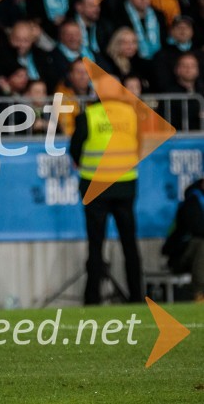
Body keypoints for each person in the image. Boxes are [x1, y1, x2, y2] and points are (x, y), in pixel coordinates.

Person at [69, 72, 143, 305]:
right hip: (125, 186)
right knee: (130, 244)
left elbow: (75, 150)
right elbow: (139, 146)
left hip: (95, 187)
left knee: (96, 244)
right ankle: (137, 295)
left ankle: (92, 298)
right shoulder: (132, 114)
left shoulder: (88, 116)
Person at [162, 178, 204, 303]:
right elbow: (198, 229)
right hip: (181, 254)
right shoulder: (192, 200)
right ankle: (200, 292)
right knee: (202, 244)